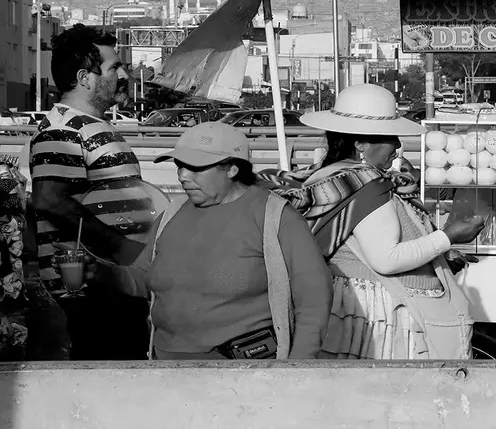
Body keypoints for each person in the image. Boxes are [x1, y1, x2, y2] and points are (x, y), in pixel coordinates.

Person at [262, 84, 486, 360]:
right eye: (388, 137)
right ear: (361, 145)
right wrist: (447, 237)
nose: (397, 146)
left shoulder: (331, 178)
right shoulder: (367, 186)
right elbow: (386, 259)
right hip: (378, 319)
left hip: (348, 312)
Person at [91, 122, 333, 360]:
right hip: (166, 370)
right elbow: (144, 278)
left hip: (245, 375)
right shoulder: (172, 214)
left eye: (195, 168)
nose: (183, 176)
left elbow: (314, 298)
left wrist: (298, 367)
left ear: (232, 169)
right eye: (179, 166)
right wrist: (98, 272)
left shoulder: (276, 217)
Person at [28, 23, 147, 360]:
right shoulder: (62, 129)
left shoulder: (92, 126)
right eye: (114, 67)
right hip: (89, 290)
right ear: (85, 78)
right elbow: (50, 199)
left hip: (113, 283)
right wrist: (123, 248)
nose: (123, 74)